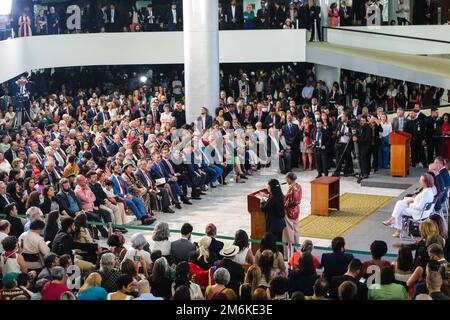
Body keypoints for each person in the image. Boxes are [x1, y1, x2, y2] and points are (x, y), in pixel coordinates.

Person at [260, 179, 286, 253]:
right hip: (280, 223)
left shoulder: (272, 199)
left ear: (271, 188)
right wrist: (267, 195)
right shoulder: (280, 195)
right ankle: (281, 255)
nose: (267, 188)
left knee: (272, 242)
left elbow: (264, 208)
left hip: (273, 225)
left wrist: (261, 202)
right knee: (279, 241)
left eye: (268, 186)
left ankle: (273, 256)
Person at [282, 172, 301, 258]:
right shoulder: (299, 186)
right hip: (296, 210)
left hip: (289, 211)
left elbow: (287, 202)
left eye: (286, 179)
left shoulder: (291, 189)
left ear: (289, 179)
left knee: (289, 232)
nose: (286, 180)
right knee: (296, 230)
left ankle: (290, 253)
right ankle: (297, 250)